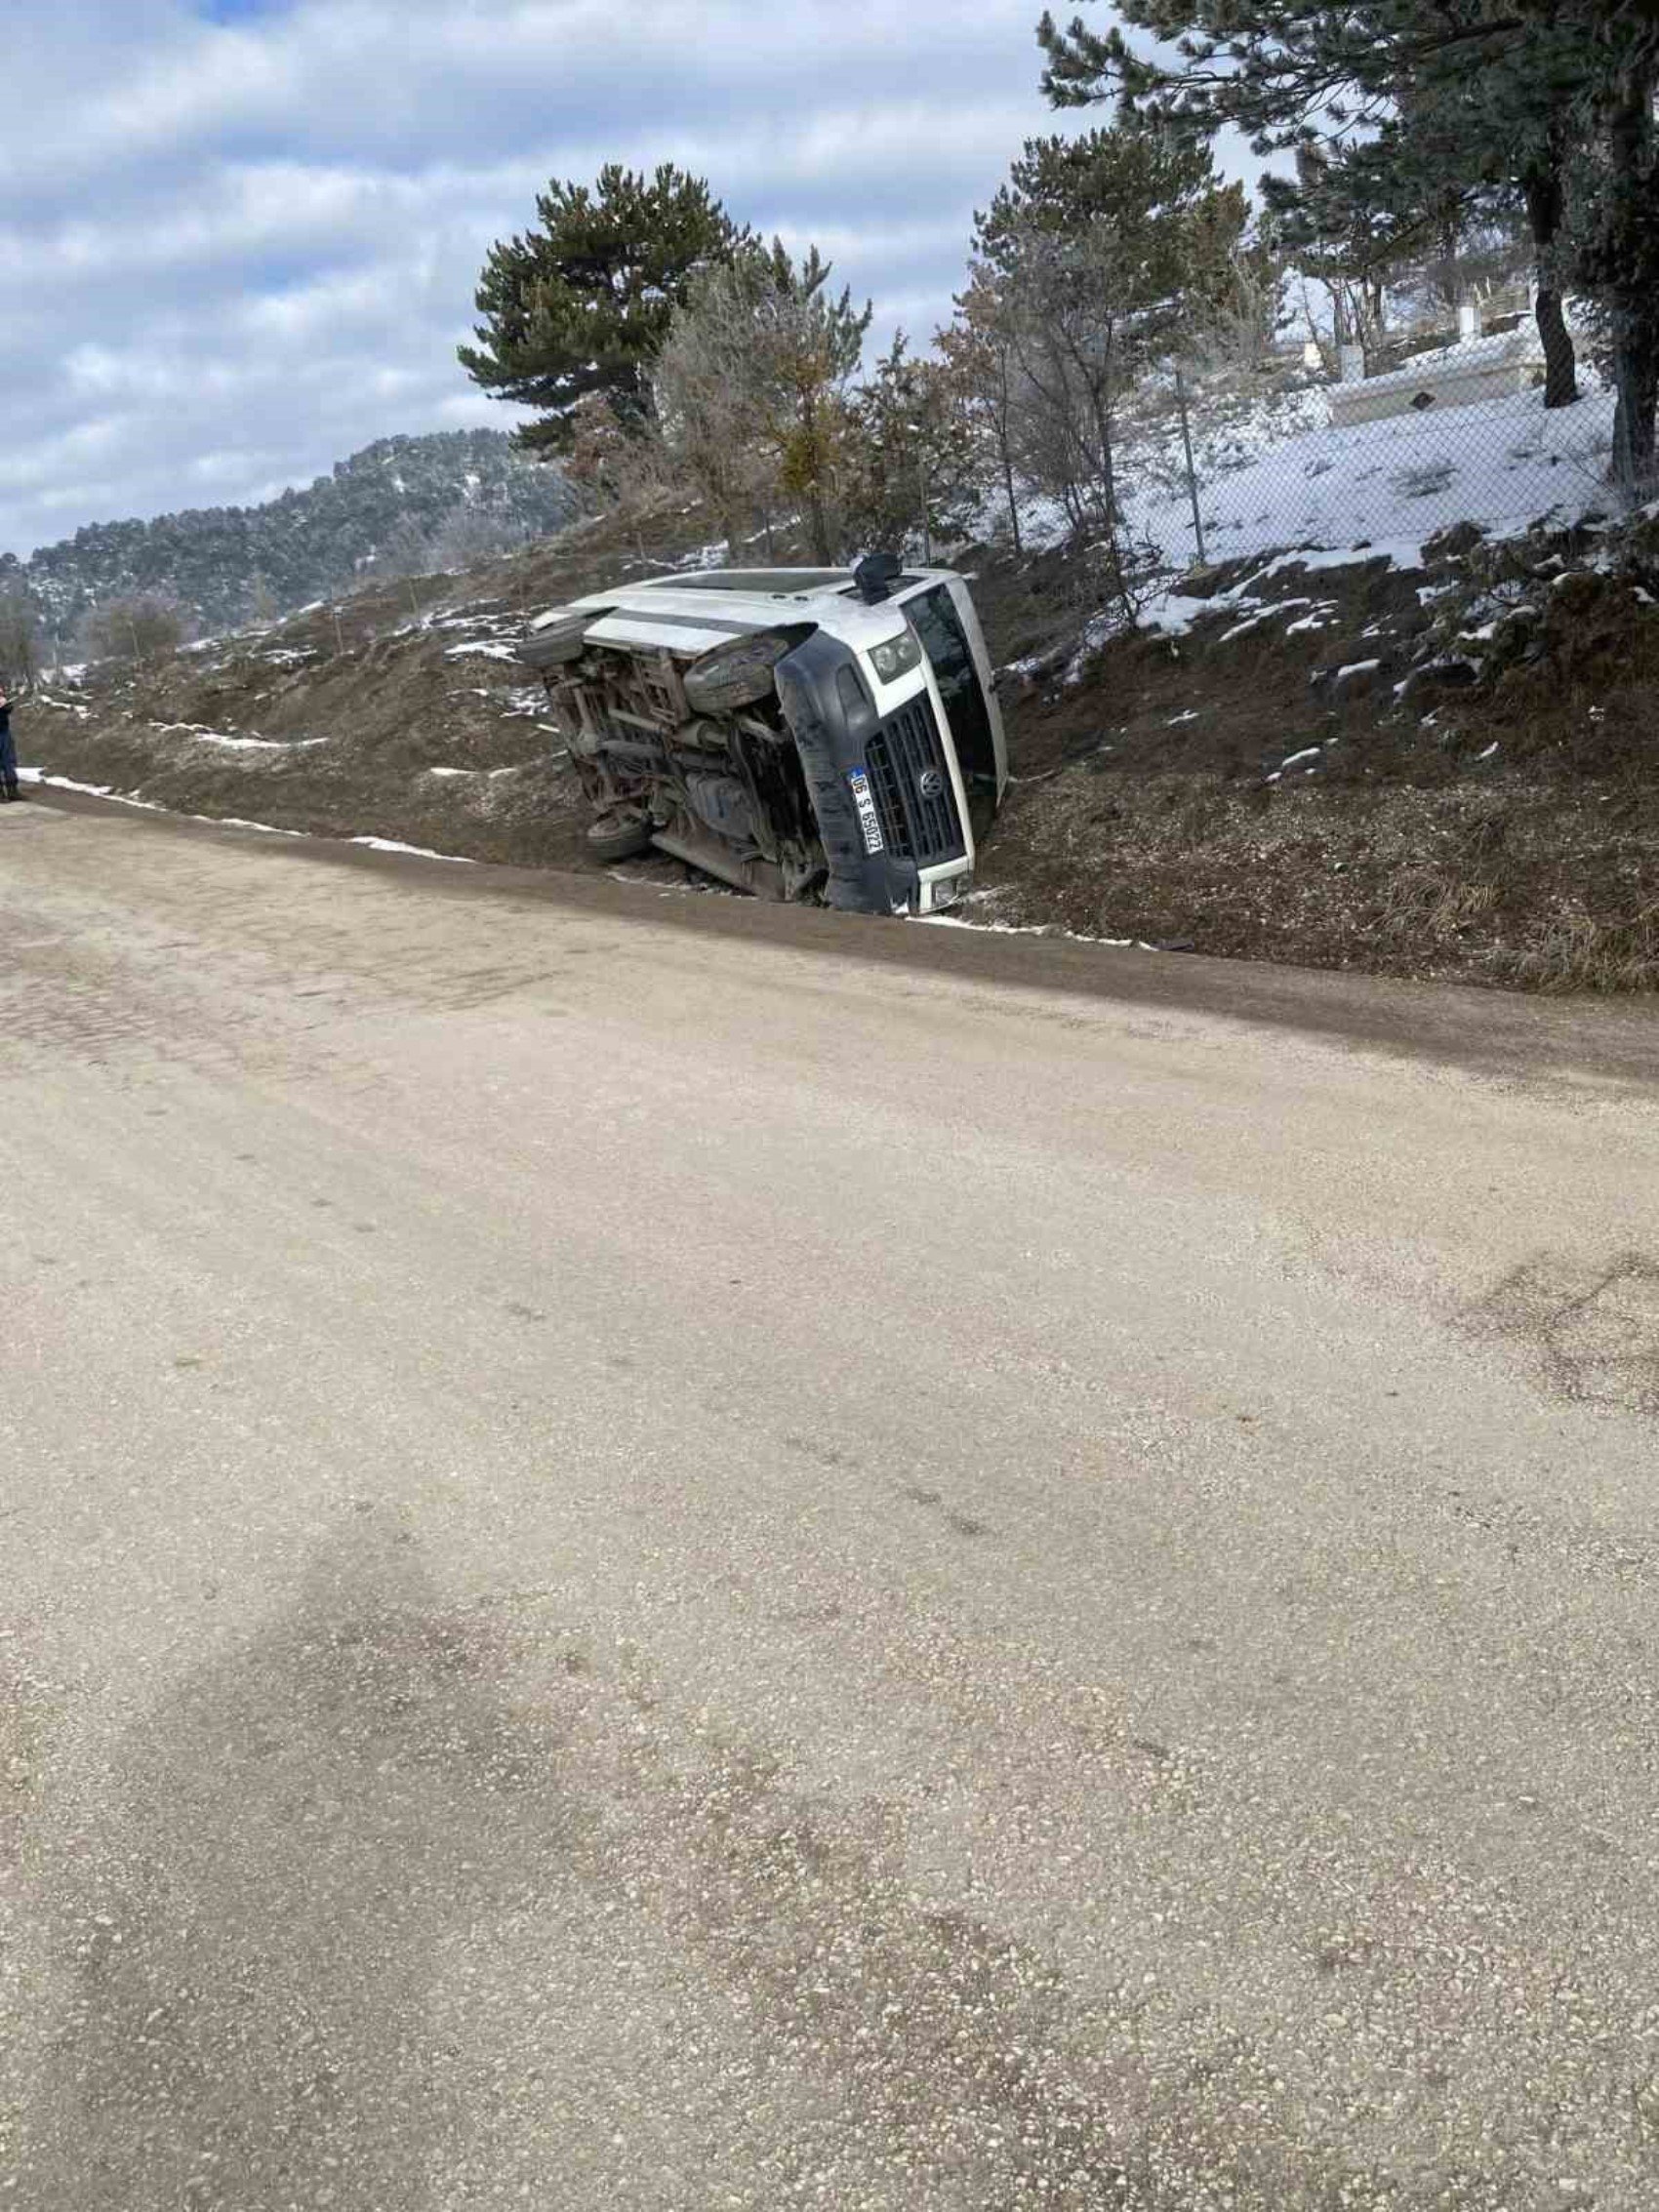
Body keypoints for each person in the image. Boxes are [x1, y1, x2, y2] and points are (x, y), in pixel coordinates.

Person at [0, 684, 16, 802]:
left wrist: (6, 706)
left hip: (4, 731)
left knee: (8, 760)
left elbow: (8, 707)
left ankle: (12, 791)